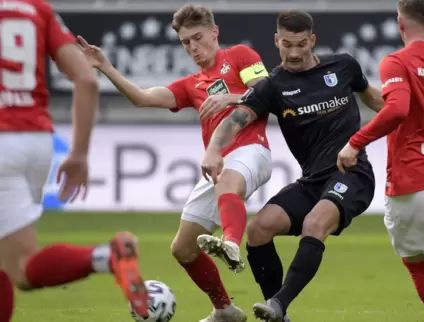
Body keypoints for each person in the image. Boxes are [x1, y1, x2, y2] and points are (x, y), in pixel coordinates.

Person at [78, 4, 271, 321]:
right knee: (183, 248)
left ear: (214, 32)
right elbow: (142, 98)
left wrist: (230, 97)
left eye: (198, 38)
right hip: (218, 164)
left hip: (252, 149)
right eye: (186, 42)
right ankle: (225, 310)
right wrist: (106, 67)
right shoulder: (190, 84)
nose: (193, 47)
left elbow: (267, 90)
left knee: (226, 181)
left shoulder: (239, 56)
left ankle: (232, 243)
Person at [201, 10, 384, 322]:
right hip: (312, 182)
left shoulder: (343, 66)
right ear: (276, 41)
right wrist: (214, 150)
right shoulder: (273, 86)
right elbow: (236, 119)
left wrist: (409, 117)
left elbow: (376, 100)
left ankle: (279, 304)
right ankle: (278, 314)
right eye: (287, 44)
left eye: (301, 44)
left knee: (315, 224)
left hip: (352, 175)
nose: (295, 52)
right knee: (258, 230)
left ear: (312, 40)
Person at [0, 0, 150, 320]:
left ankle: (106, 257)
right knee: (8, 262)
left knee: (22, 267)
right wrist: (79, 154)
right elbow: (86, 79)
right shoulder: (37, 9)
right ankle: (105, 258)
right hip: (35, 144)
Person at [337, 0, 424, 321]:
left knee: (417, 263)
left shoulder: (396, 62)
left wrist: (355, 142)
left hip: (414, 181)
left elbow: (398, 108)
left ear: (400, 22)